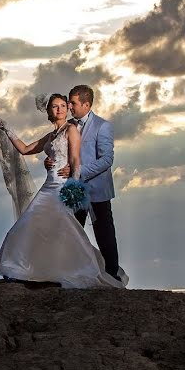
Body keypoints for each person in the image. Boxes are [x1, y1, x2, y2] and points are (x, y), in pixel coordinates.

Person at [0, 94, 125, 289]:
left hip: (64, 187)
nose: (61, 109)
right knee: (29, 225)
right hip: (48, 186)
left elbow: (75, 160)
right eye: (55, 106)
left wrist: (73, 184)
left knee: (66, 230)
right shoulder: (51, 135)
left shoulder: (71, 130)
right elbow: (26, 149)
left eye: (64, 105)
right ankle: (26, 270)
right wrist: (8, 130)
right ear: (49, 111)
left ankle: (86, 271)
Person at [45, 85, 126, 283]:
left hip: (97, 189)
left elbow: (106, 160)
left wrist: (78, 171)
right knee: (71, 230)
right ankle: (68, 271)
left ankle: (112, 274)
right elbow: (57, 151)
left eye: (73, 103)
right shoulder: (67, 126)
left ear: (86, 104)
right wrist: (48, 161)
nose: (69, 107)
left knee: (104, 232)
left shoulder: (103, 126)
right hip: (72, 190)